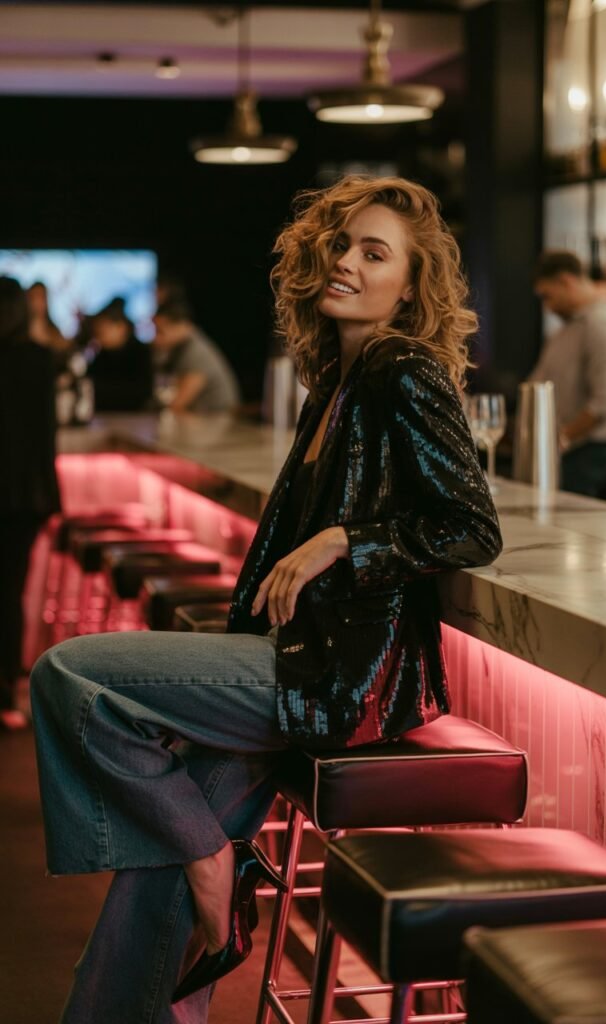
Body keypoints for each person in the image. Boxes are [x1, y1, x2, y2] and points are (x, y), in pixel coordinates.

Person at [30, 176, 502, 1023]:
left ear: (411, 286)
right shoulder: (340, 378)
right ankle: (203, 870)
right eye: (343, 244)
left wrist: (341, 542)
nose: (347, 263)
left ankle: (216, 857)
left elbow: (472, 528)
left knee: (69, 674)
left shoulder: (401, 370)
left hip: (330, 675)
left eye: (375, 252)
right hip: (293, 654)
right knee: (159, 882)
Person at [0, 277, 60, 730]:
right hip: (21, 496)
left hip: (19, 494)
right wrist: (51, 498)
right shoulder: (40, 360)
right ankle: (4, 697)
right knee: (9, 593)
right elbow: (45, 438)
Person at [531, 251, 606, 496]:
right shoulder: (569, 328)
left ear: (566, 282)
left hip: (583, 457)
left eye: (548, 296)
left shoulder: (600, 327)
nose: (547, 307)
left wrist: (561, 438)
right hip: (561, 453)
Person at [153, 299, 241, 413]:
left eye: (160, 331)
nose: (156, 338)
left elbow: (178, 404)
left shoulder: (196, 352)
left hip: (218, 421)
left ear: (182, 325)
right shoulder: (179, 348)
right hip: (202, 419)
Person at [86, 297, 153, 412]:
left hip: (136, 417)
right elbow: (89, 384)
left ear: (121, 327)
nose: (98, 337)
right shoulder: (102, 354)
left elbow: (142, 391)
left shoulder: (140, 353)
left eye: (102, 332)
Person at [26, 281, 70, 361]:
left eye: (41, 297)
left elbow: (63, 349)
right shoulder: (22, 331)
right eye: (33, 297)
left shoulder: (54, 330)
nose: (37, 302)